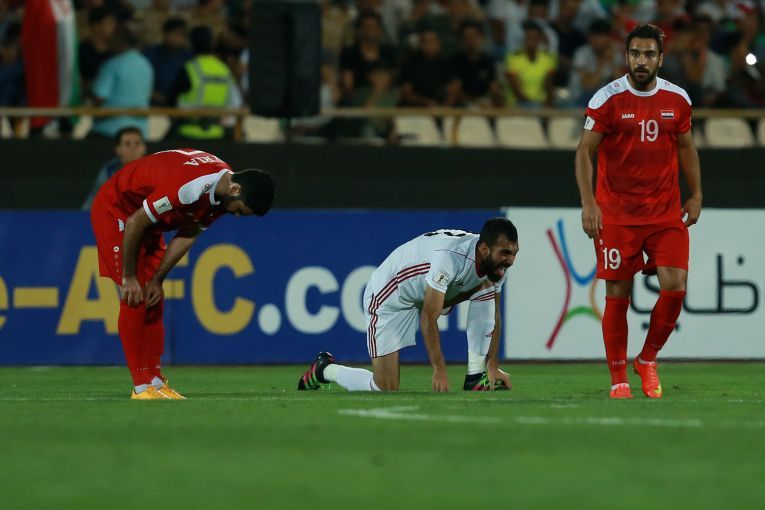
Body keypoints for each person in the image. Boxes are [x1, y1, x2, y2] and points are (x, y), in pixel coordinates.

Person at [574, 24, 702, 400]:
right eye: (635, 54)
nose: (641, 61)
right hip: (617, 214)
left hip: (664, 212)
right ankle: (618, 379)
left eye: (648, 54)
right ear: (626, 56)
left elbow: (687, 148)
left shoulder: (678, 99)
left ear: (660, 59)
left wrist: (696, 194)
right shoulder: (607, 99)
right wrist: (589, 202)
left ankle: (647, 360)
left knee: (675, 286)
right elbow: (584, 151)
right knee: (618, 293)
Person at [90, 149, 275, 399]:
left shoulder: (223, 193)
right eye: (240, 210)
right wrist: (129, 276)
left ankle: (155, 381)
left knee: (153, 297)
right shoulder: (190, 187)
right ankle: (142, 386)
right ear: (235, 190)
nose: (237, 215)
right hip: (119, 209)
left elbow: (188, 234)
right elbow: (135, 222)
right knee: (135, 296)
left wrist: (157, 279)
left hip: (147, 220)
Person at [298, 218, 518, 393]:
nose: (510, 260)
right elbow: (428, 317)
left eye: (514, 253)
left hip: (425, 291)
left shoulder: (495, 265)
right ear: (484, 249)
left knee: (487, 287)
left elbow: (494, 314)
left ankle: (476, 375)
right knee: (385, 387)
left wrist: (492, 364)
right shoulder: (450, 258)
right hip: (389, 296)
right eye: (505, 253)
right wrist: (439, 368)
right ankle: (325, 369)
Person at [169, 25, 242, 140]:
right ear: (212, 44)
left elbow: (171, 100)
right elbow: (236, 102)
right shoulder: (224, 69)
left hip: (187, 133)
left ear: (191, 44)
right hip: (217, 133)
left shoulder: (190, 69)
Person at [90, 24, 153, 139]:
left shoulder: (112, 64)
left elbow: (99, 97)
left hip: (109, 130)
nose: (109, 42)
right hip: (139, 132)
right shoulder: (146, 65)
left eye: (112, 39)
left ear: (120, 41)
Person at [82, 126, 146, 210]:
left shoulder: (152, 170)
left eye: (137, 143)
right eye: (127, 144)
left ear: (144, 148)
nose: (133, 148)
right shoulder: (109, 170)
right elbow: (93, 201)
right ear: (118, 149)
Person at [143, 17, 192, 107]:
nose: (177, 38)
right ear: (165, 34)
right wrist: (158, 97)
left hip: (180, 107)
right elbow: (141, 83)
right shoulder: (151, 55)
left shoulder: (188, 58)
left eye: (181, 34)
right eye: (174, 33)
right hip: (153, 105)